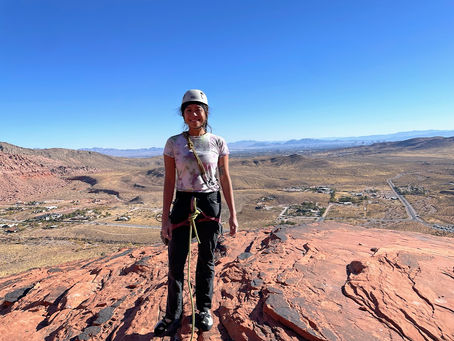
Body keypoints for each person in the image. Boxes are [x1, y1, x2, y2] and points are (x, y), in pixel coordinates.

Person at [154, 89, 238, 336]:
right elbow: (169, 181)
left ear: (206, 112)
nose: (193, 114)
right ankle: (173, 316)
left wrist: (233, 214)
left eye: (198, 109)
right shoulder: (173, 143)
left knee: (206, 260)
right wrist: (165, 219)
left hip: (210, 202)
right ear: (183, 114)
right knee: (176, 263)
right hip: (182, 202)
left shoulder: (218, 142)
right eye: (188, 110)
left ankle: (203, 309)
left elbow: (224, 177)